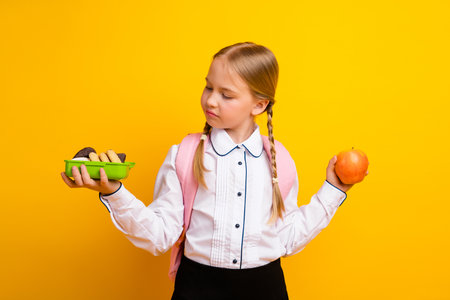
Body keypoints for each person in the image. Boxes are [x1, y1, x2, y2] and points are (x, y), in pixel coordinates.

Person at [61, 41, 368, 300]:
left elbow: (285, 240)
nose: (211, 100)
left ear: (259, 105)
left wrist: (333, 191)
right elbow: (159, 236)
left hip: (265, 290)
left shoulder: (279, 161)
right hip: (197, 288)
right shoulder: (184, 156)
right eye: (208, 87)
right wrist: (113, 192)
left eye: (227, 94)